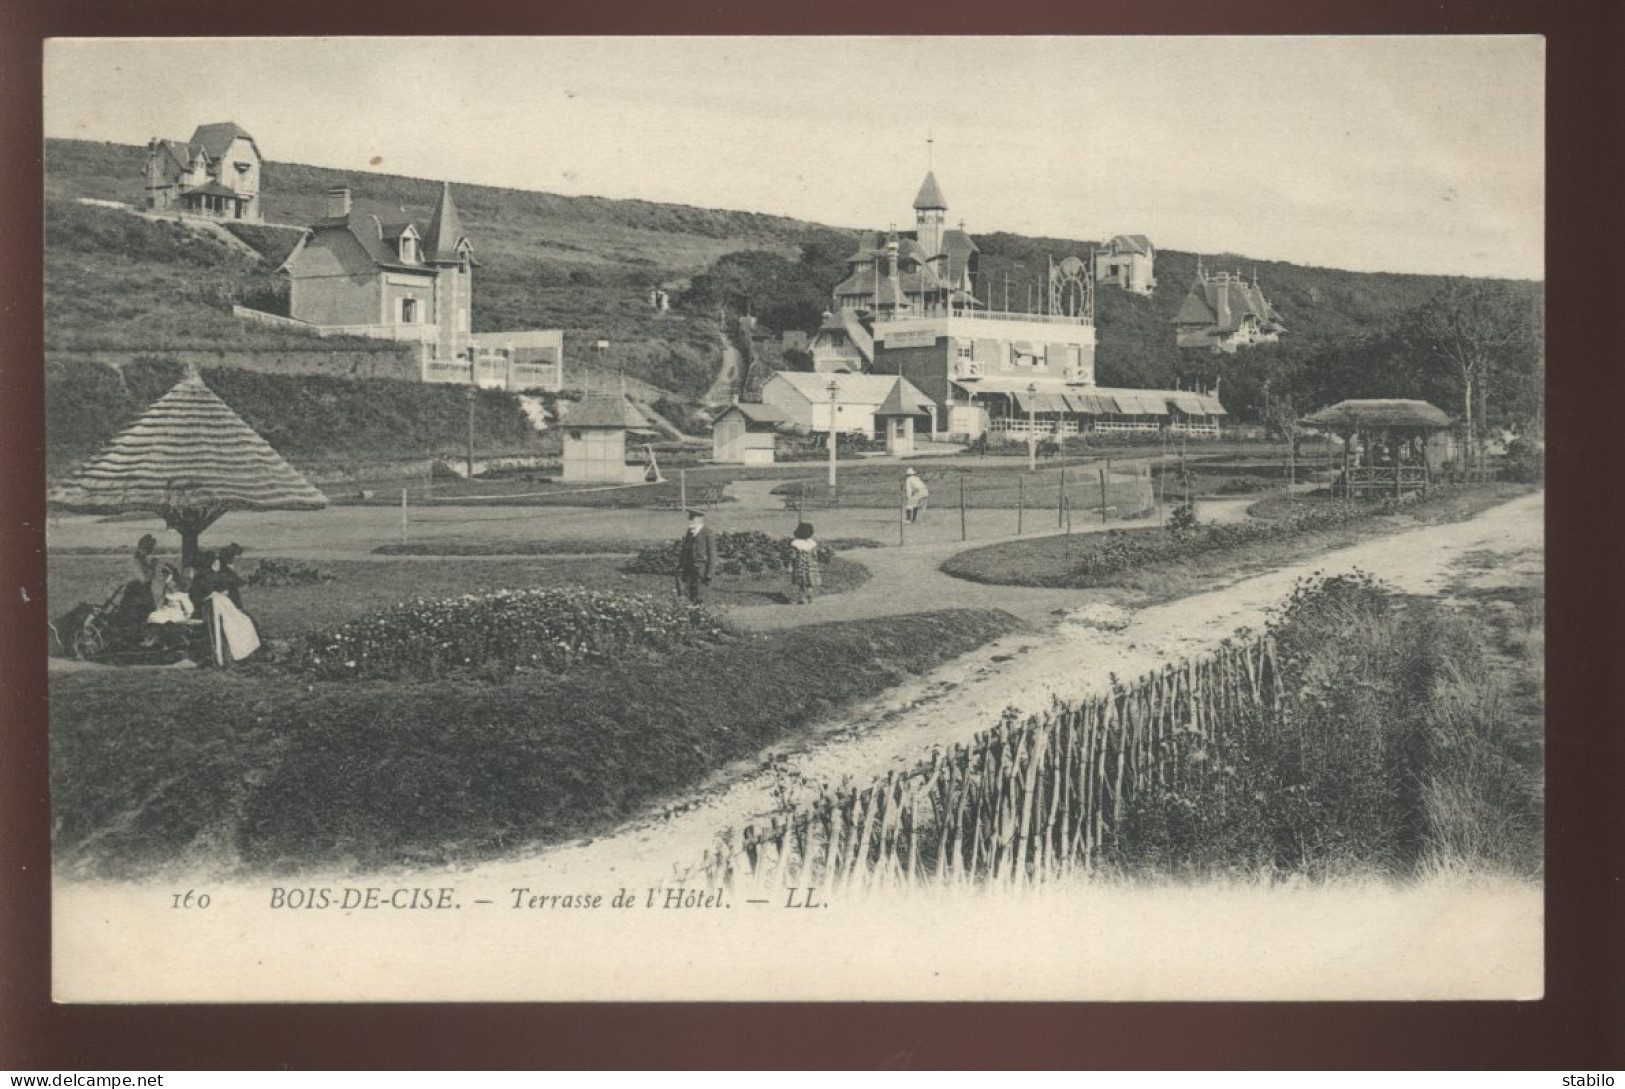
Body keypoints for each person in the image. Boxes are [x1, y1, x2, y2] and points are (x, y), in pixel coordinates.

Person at [674, 509, 714, 604]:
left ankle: (701, 613)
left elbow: (712, 553)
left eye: (693, 518)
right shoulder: (690, 532)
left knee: (700, 595)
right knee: (690, 593)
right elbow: (685, 550)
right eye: (690, 518)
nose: (690, 520)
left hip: (701, 569)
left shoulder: (707, 532)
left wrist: (710, 572)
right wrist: (681, 565)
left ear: (700, 519)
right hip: (690, 568)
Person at [786, 522, 822, 605]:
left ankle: (801, 598)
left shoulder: (795, 544)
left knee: (801, 583)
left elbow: (793, 556)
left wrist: (790, 565)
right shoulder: (812, 543)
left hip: (799, 566)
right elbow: (815, 555)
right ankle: (810, 598)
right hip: (810, 566)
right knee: (810, 583)